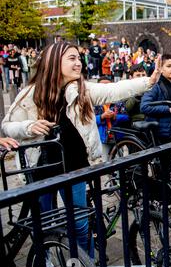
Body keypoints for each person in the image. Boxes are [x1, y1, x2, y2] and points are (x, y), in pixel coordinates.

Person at [1, 42, 160, 254]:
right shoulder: (32, 92)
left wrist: (147, 81)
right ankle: (45, 259)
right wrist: (29, 126)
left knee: (80, 225)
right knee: (43, 223)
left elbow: (112, 90)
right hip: (42, 169)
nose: (78, 63)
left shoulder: (81, 89)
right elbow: (7, 125)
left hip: (75, 167)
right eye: (72, 59)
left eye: (78, 58)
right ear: (55, 62)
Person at [140, 54, 171, 145]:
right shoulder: (155, 86)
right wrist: (168, 109)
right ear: (161, 69)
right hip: (162, 132)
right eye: (169, 66)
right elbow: (144, 107)